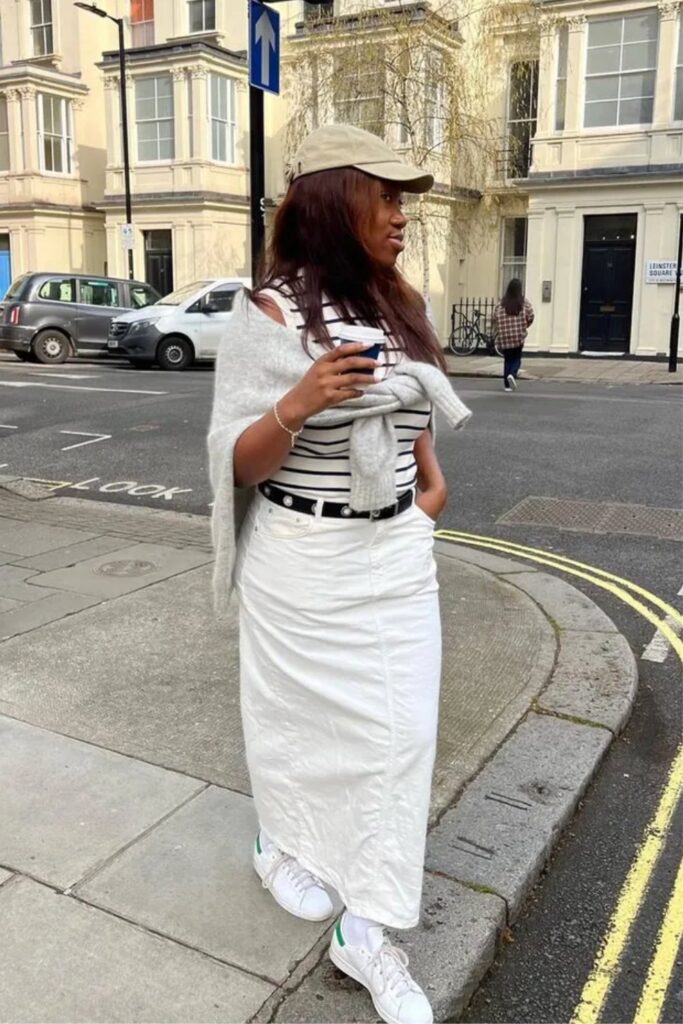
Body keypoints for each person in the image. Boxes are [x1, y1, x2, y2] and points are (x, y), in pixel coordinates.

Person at [208, 124, 471, 1024]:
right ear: (334, 202)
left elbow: (410, 404)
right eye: (387, 197)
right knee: (295, 722)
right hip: (301, 559)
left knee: (398, 741)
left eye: (402, 201)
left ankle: (370, 931)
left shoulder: (403, 303)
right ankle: (279, 843)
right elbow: (234, 461)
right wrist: (295, 402)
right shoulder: (269, 314)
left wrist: (425, 493)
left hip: (394, 553)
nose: (401, 216)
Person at [492, 278, 535, 392]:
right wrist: (525, 325)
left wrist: (500, 328)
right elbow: (531, 316)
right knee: (516, 359)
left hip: (504, 336)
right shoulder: (524, 303)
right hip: (518, 336)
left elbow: (494, 317)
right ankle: (512, 374)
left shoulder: (501, 304)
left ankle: (507, 385)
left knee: (507, 360)